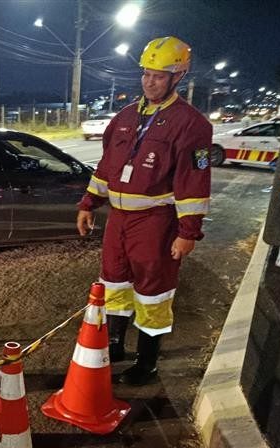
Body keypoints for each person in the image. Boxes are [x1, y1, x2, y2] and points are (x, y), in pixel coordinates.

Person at [76, 36, 211, 386]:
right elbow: (106, 166)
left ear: (178, 76)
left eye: (159, 76)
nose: (150, 82)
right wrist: (89, 203)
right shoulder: (125, 117)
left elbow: (193, 183)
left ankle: (146, 362)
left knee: (153, 291)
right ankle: (115, 344)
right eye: (146, 74)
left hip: (155, 222)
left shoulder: (191, 124)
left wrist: (188, 233)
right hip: (118, 220)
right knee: (114, 282)